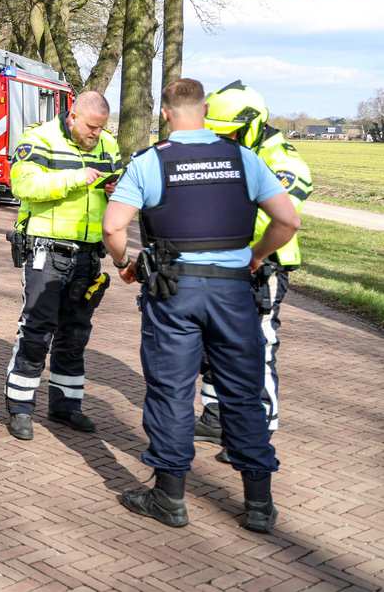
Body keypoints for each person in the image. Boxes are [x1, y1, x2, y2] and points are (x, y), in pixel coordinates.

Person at [103, 78, 300, 534]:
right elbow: (288, 219)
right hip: (233, 293)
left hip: (173, 292)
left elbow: (115, 227)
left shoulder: (151, 162)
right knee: (242, 391)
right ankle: (258, 503)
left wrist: (124, 264)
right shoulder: (243, 159)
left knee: (171, 391)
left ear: (166, 114)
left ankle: (168, 498)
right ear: (206, 109)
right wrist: (255, 256)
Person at [195, 81, 312, 462]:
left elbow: (276, 217)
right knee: (214, 343)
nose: (221, 140)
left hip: (262, 263)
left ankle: (258, 435)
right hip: (228, 261)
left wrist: (250, 251)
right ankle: (215, 416)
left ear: (250, 125)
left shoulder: (283, 162)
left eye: (227, 132)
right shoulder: (233, 155)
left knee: (258, 346)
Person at [3, 91, 122, 441]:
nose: (96, 135)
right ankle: (20, 407)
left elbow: (112, 190)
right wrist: (75, 178)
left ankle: (67, 406)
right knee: (38, 329)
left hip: (88, 252)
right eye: (90, 127)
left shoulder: (108, 145)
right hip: (47, 250)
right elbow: (22, 184)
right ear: (72, 116)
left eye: (101, 129)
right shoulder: (39, 139)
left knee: (76, 332)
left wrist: (114, 189)